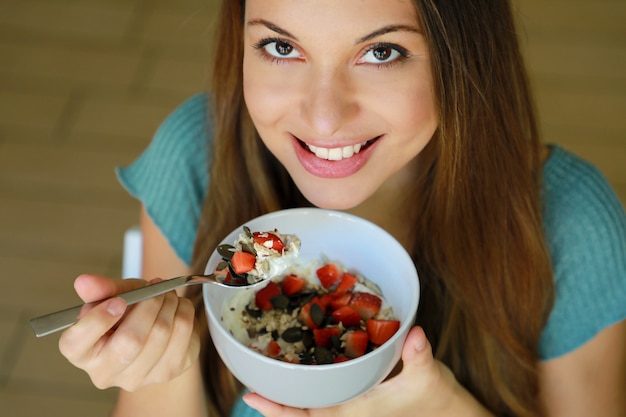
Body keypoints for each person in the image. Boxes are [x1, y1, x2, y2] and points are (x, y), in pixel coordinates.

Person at [58, 1, 626, 416]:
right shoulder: (197, 156)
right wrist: (164, 364)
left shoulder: (572, 226)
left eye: (382, 52)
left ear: (465, 58)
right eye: (281, 46)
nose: (324, 118)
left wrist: (442, 409)